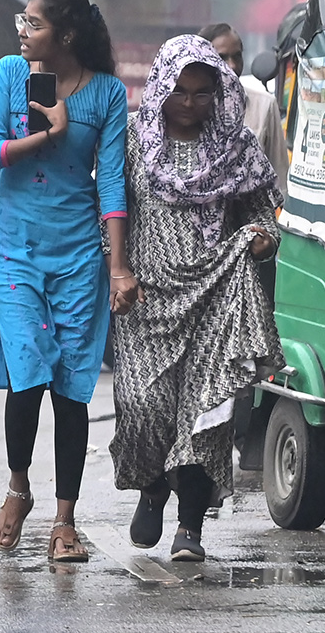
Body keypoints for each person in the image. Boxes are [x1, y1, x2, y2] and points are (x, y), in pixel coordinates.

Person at [0, 0, 138, 562]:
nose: (22, 31)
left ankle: (65, 520)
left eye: (33, 23)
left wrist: (118, 267)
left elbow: (111, 182)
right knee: (28, 371)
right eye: (23, 21)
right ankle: (18, 488)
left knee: (71, 385)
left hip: (78, 254)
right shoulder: (10, 75)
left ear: (65, 35)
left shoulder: (108, 94)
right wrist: (47, 134)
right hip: (14, 248)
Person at [110, 34, 284, 562]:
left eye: (202, 92)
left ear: (218, 92)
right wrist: (118, 271)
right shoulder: (134, 140)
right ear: (161, 86)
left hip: (215, 295)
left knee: (204, 415)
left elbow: (263, 214)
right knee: (143, 405)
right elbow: (113, 210)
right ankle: (151, 487)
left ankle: (190, 527)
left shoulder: (236, 145)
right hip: (147, 299)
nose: (188, 102)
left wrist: (260, 240)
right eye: (179, 91)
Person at [198, 23, 289, 195]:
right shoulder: (190, 109)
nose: (231, 65)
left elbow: (280, 178)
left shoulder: (265, 105)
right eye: (222, 57)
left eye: (237, 56)